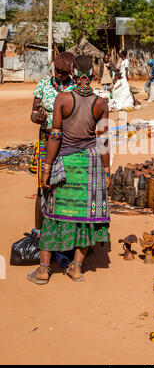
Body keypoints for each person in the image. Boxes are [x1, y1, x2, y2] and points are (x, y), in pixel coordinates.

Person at [27, 54, 110, 284]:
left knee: (52, 215)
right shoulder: (101, 103)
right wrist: (107, 171)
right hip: (90, 164)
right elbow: (103, 141)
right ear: (93, 76)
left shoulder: (62, 100)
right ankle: (75, 267)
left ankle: (43, 271)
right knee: (86, 218)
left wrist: (46, 168)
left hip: (64, 163)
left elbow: (55, 136)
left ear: (73, 75)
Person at [29, 52, 75, 235]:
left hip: (67, 143)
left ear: (70, 72)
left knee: (65, 186)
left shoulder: (74, 88)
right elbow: (33, 112)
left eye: (63, 72)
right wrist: (37, 118)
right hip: (45, 141)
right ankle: (38, 231)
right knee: (43, 186)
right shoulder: (43, 85)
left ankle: (65, 232)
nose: (59, 74)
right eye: (57, 70)